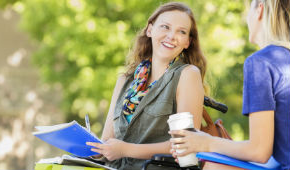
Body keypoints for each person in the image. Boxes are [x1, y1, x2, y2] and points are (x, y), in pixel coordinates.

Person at [169, 0, 290, 170]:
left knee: (212, 166)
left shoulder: (261, 62)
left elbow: (259, 151)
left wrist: (206, 143)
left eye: (248, 11)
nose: (247, 18)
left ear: (259, 10)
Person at [86, 2, 206, 170]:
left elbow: (186, 145)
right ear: (150, 29)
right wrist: (92, 147)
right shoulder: (125, 81)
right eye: (165, 27)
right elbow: (107, 140)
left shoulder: (187, 75)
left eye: (182, 32)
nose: (172, 36)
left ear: (187, 42)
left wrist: (127, 150)